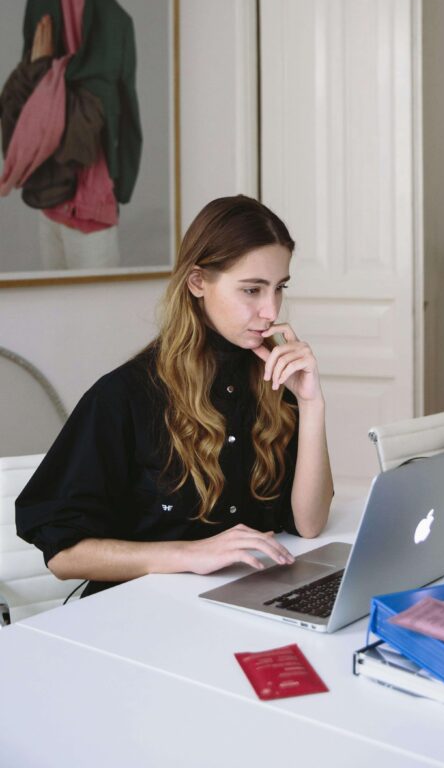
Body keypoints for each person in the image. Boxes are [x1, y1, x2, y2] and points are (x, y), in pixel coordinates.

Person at [16, 196, 334, 596]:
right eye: (252, 290)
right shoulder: (125, 395)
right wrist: (190, 554)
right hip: (139, 617)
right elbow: (63, 556)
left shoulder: (274, 380)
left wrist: (311, 403)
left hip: (245, 598)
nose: (271, 310)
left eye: (279, 288)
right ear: (198, 282)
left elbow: (309, 523)